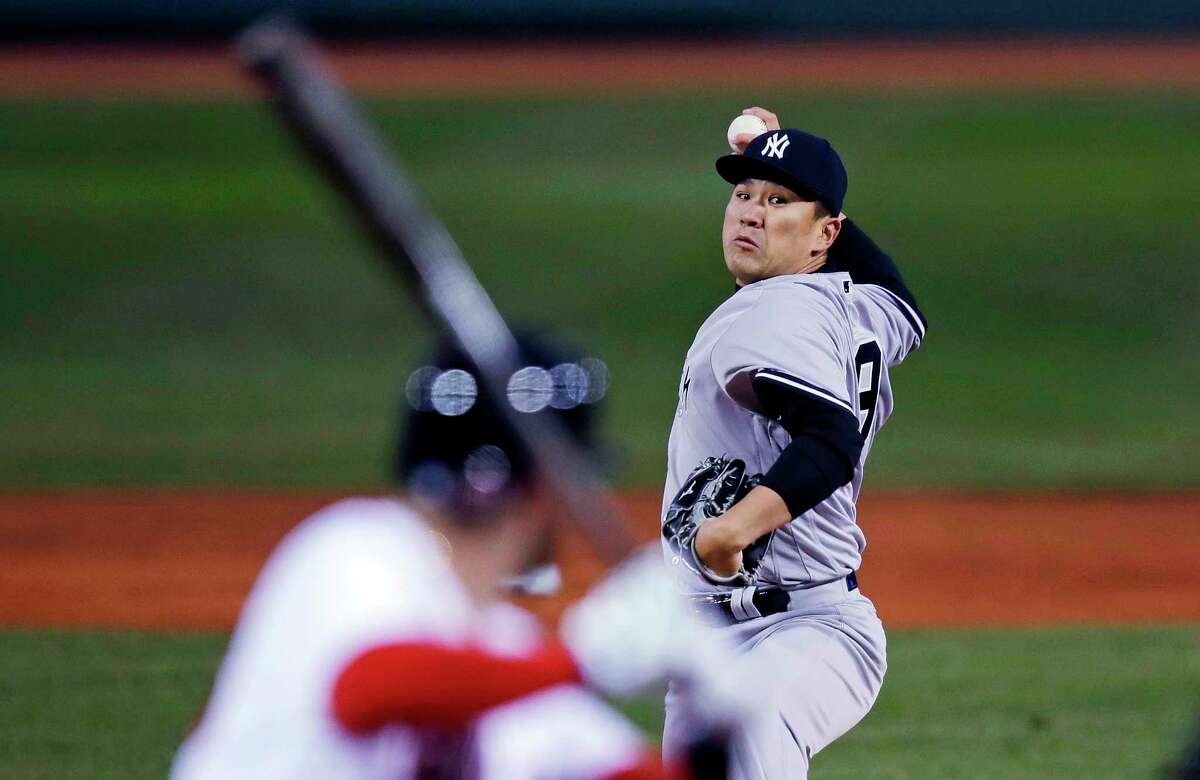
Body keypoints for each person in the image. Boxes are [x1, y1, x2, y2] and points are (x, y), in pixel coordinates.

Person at [172, 334, 743, 780]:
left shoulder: (500, 650)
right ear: (546, 488)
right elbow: (366, 688)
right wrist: (581, 658)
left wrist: (712, 730)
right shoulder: (352, 550)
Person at [659, 107, 928, 779]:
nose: (750, 212)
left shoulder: (771, 311)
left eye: (778, 201)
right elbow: (900, 298)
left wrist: (731, 531)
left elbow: (828, 437)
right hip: (740, 632)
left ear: (823, 237)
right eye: (743, 195)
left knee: (751, 733)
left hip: (795, 627)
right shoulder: (851, 305)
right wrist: (795, 186)